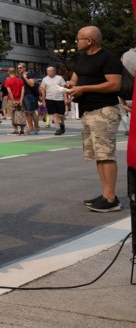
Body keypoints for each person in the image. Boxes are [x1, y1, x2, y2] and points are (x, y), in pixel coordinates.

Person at [66, 26, 122, 212]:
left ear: (89, 41)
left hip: (104, 110)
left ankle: (111, 198)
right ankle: (106, 194)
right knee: (98, 155)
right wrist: (70, 86)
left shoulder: (108, 58)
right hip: (88, 111)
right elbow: (75, 79)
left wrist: (85, 89)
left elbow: (114, 85)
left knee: (106, 154)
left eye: (79, 38)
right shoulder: (81, 59)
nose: (76, 41)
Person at [40, 65, 69, 135]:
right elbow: (43, 90)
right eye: (48, 71)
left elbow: (63, 89)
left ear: (54, 71)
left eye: (51, 71)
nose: (49, 72)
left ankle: (62, 124)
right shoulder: (44, 79)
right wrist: (43, 100)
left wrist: (66, 99)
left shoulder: (60, 78)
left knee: (61, 115)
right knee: (55, 114)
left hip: (60, 99)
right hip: (49, 99)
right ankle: (58, 129)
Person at [19, 63, 41, 135]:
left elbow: (32, 84)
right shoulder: (19, 76)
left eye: (20, 68)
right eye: (18, 68)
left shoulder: (28, 75)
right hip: (23, 96)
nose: (19, 69)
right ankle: (31, 128)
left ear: (24, 68)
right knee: (26, 112)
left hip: (29, 95)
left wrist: (25, 78)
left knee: (32, 112)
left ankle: (36, 127)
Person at [4, 67, 26, 136]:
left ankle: (15, 130)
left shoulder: (8, 81)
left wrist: (13, 100)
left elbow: (9, 91)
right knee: (21, 114)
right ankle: (22, 130)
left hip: (11, 99)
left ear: (8, 72)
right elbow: (23, 91)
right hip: (19, 99)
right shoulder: (20, 80)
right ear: (16, 72)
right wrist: (21, 100)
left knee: (13, 115)